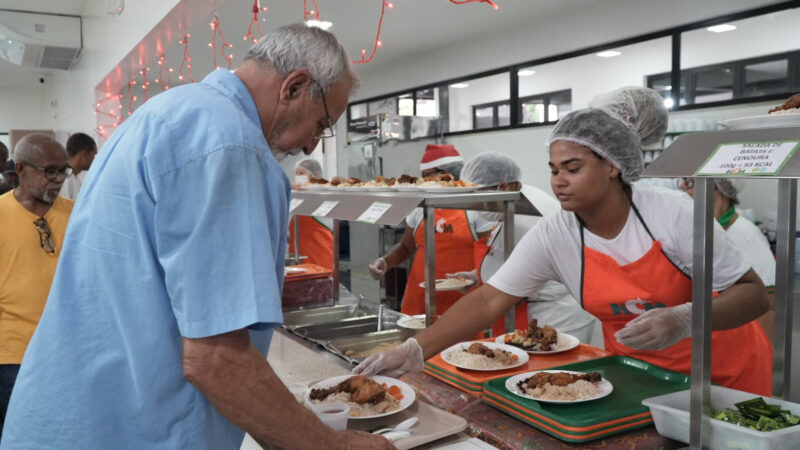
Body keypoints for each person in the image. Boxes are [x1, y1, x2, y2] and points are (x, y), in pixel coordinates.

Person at [2, 25, 393, 450]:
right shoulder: (231, 146)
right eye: (322, 125)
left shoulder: (170, 112)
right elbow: (217, 361)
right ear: (294, 86)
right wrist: (334, 445)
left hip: (63, 418)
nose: (312, 148)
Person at [356, 108, 772, 396]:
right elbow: (490, 298)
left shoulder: (672, 213)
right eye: (554, 170)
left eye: (573, 169)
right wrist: (414, 350)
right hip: (640, 373)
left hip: (721, 371)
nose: (559, 181)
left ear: (612, 165)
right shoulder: (557, 230)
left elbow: (753, 294)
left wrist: (684, 318)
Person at [447, 152, 599, 342]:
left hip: (553, 316)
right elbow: (508, 255)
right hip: (525, 307)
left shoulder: (531, 216)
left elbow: (522, 274)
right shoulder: (513, 202)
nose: (476, 206)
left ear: (503, 187)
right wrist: (476, 275)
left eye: (477, 198)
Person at [0, 134, 74, 438]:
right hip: (14, 354)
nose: (57, 179)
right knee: (22, 436)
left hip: (70, 351)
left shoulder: (77, 214)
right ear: (20, 169)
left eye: (63, 170)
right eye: (49, 171)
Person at [368, 144, 493, 316]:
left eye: (428, 176)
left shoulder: (475, 206)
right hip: (420, 300)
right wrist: (385, 262)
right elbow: (405, 247)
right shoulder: (421, 205)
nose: (424, 181)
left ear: (447, 174)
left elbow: (489, 254)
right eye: (423, 176)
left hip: (464, 301)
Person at [679, 177, 775, 340]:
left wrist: (761, 354)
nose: (683, 187)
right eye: (683, 182)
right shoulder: (706, 230)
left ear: (719, 188)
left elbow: (768, 302)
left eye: (690, 182)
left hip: (743, 342)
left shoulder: (745, 234)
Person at [289, 158, 334, 269]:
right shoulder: (300, 199)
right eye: (296, 174)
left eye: (301, 173)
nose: (298, 177)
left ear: (315, 175)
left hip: (320, 262)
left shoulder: (321, 197)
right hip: (301, 263)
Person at [60, 132, 98, 200]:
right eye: (94, 155)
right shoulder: (65, 180)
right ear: (84, 154)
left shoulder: (75, 178)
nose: (95, 160)